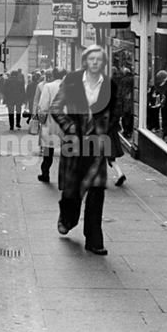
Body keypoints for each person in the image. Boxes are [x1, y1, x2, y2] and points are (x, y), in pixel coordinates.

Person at [49, 45, 123, 255]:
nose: (95, 63)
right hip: (75, 142)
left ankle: (94, 239)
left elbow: (116, 110)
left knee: (97, 191)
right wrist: (69, 126)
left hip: (97, 144)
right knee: (72, 188)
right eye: (91, 59)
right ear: (85, 61)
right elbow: (55, 107)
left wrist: (106, 129)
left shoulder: (110, 85)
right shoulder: (72, 80)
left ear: (104, 63)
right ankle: (67, 217)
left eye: (99, 59)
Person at [35, 68, 65, 183]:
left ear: (54, 75)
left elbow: (43, 105)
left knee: (48, 150)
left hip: (51, 121)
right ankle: (63, 178)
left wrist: (41, 119)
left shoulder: (48, 86)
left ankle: (45, 173)